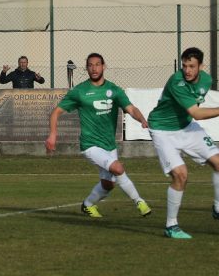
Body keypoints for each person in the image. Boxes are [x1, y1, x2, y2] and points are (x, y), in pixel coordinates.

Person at [45, 53, 152, 218]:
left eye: (97, 64)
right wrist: (53, 134)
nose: (94, 68)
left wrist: (142, 119)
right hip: (90, 145)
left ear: (104, 67)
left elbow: (131, 108)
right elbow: (56, 112)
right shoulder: (80, 91)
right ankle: (139, 202)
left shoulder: (114, 90)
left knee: (108, 184)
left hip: (109, 144)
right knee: (118, 168)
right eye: (90, 65)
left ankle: (87, 205)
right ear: (87, 68)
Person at [148, 47, 219, 239]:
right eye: (185, 65)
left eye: (192, 66)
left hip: (185, 127)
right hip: (163, 130)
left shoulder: (206, 80)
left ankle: (218, 207)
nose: (187, 70)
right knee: (181, 175)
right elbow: (196, 113)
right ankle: (171, 226)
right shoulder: (176, 81)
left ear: (201, 67)